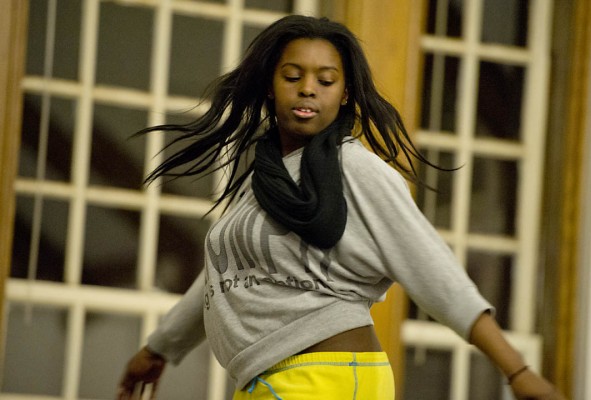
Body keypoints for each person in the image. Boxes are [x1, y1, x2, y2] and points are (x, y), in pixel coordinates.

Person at [117, 15, 566, 400]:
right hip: (273, 378)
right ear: (271, 87)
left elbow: (433, 269)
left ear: (346, 93)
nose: (308, 89)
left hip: (321, 378)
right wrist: (158, 348)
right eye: (292, 77)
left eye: (325, 80)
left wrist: (517, 371)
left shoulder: (355, 169)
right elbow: (224, 277)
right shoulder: (267, 180)